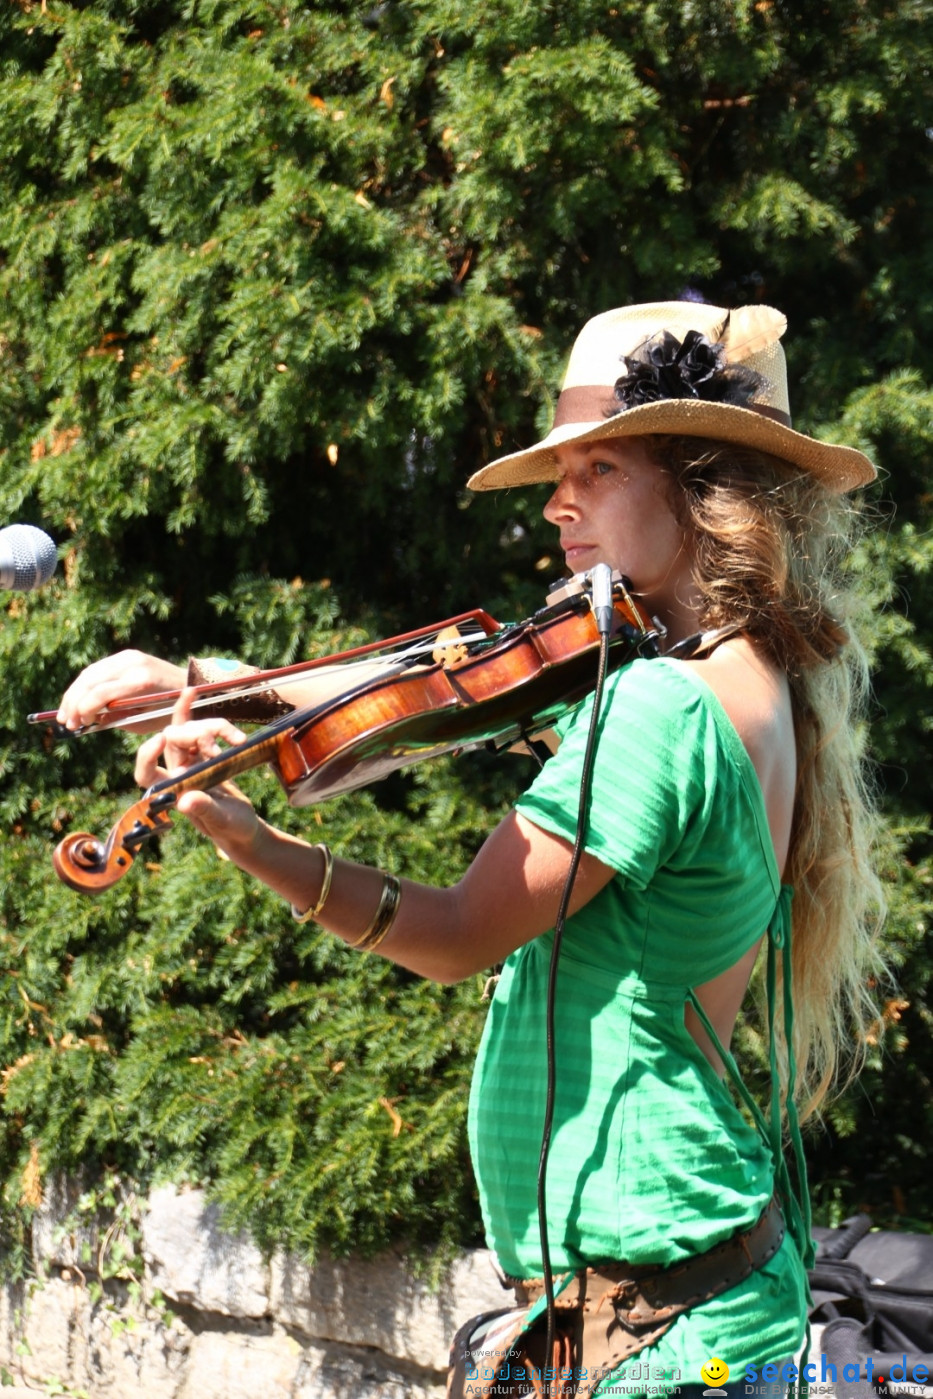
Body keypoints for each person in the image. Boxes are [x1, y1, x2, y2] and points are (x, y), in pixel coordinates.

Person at [56, 301, 885, 1393]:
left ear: (700, 483)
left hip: (658, 1317)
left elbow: (452, 933)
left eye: (596, 469)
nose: (557, 505)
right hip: (698, 1287)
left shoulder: (659, 711)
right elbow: (455, 693)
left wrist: (248, 837)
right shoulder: (745, 675)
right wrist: (211, 685)